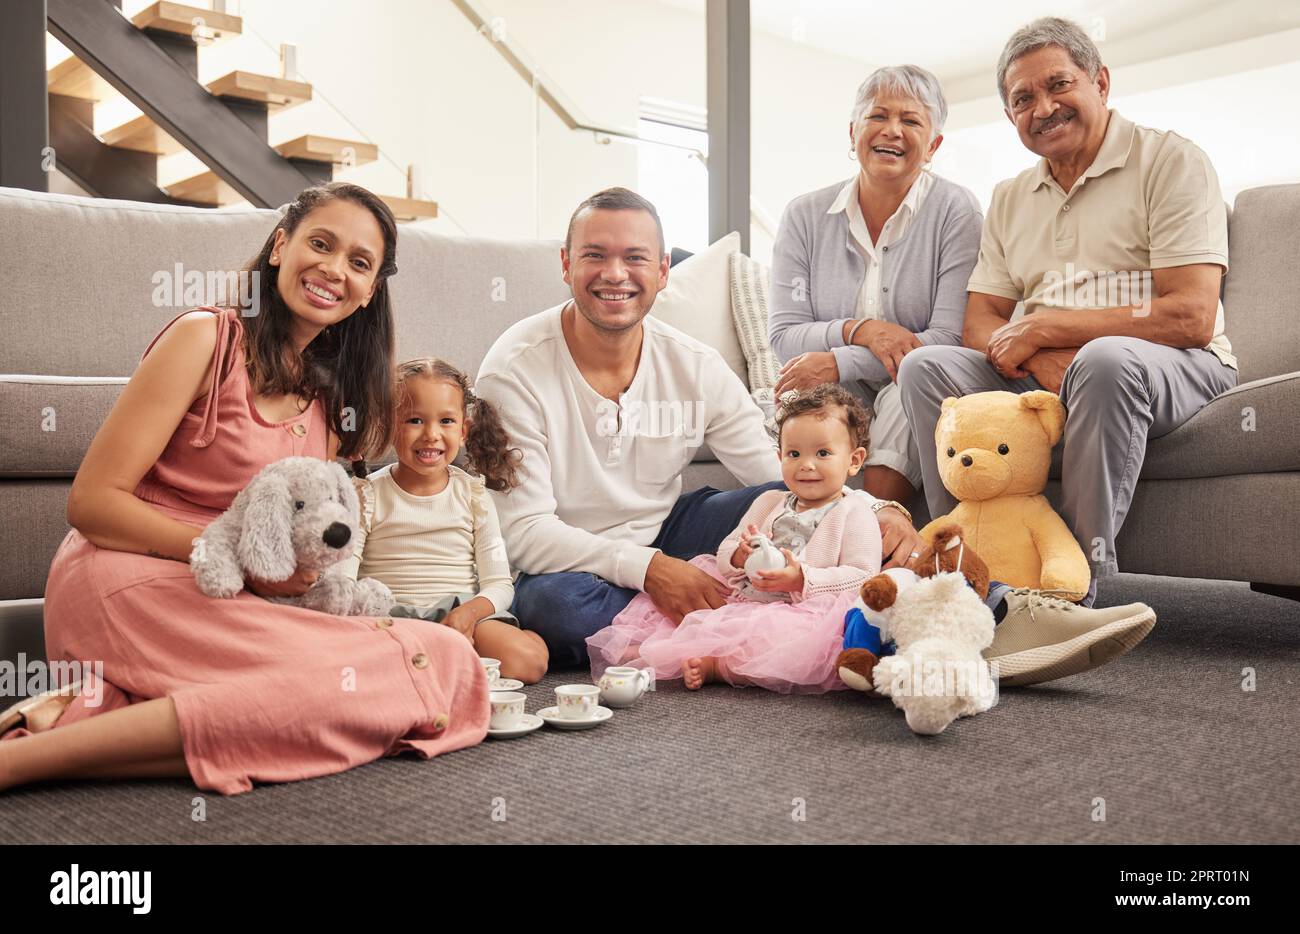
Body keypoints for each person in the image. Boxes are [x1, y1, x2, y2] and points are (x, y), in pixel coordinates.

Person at [0, 184, 486, 796]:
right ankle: (18, 765)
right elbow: (92, 503)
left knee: (444, 657)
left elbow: (301, 539)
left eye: (359, 263)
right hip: (128, 574)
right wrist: (239, 562)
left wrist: (303, 578)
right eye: (321, 244)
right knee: (364, 680)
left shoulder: (335, 401)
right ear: (281, 245)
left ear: (370, 293)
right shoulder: (206, 338)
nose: (335, 270)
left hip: (238, 599)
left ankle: (86, 732)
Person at [476, 187, 927, 667]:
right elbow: (524, 532)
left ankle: (971, 605)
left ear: (662, 271)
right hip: (570, 559)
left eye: (635, 257)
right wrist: (651, 571)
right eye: (595, 255)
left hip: (670, 527)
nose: (615, 274)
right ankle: (756, 623)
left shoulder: (694, 363)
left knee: (822, 507)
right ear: (567, 265)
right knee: (553, 609)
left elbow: (770, 466)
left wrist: (878, 508)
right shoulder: (513, 369)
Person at [898, 17, 1235, 620]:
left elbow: (1190, 315)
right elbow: (980, 321)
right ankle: (961, 575)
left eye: (1059, 85)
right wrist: (1039, 354)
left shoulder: (1171, 160)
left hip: (1175, 365)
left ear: (1100, 82)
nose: (1043, 107)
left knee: (1105, 361)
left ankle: (1072, 596)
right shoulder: (1009, 196)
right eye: (1022, 99)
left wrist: (1051, 329)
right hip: (1052, 369)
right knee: (928, 368)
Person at [769, 64, 983, 505]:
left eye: (910, 121)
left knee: (910, 379)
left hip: (917, 387)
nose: (892, 131)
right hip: (838, 392)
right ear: (853, 132)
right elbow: (785, 337)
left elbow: (948, 339)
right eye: (878, 116)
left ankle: (877, 531)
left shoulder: (957, 211)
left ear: (933, 145)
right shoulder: (803, 215)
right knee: (791, 400)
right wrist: (859, 331)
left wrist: (839, 360)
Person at [587, 384, 882, 694]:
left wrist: (801, 579)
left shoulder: (856, 512)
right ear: (780, 456)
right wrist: (739, 556)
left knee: (780, 641)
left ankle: (720, 666)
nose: (806, 465)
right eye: (794, 454)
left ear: (854, 460)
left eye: (822, 453)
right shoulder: (769, 501)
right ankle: (656, 650)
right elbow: (725, 549)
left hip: (804, 608)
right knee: (697, 608)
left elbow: (862, 576)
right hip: (746, 596)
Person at [344, 358, 549, 683]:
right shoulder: (366, 495)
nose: (431, 435)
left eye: (446, 421)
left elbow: (499, 583)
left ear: (464, 431)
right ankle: (446, 663)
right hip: (391, 618)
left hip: (462, 614)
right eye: (414, 420)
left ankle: (454, 656)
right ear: (387, 424)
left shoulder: (474, 495)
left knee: (528, 662)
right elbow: (344, 581)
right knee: (357, 664)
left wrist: (470, 614)